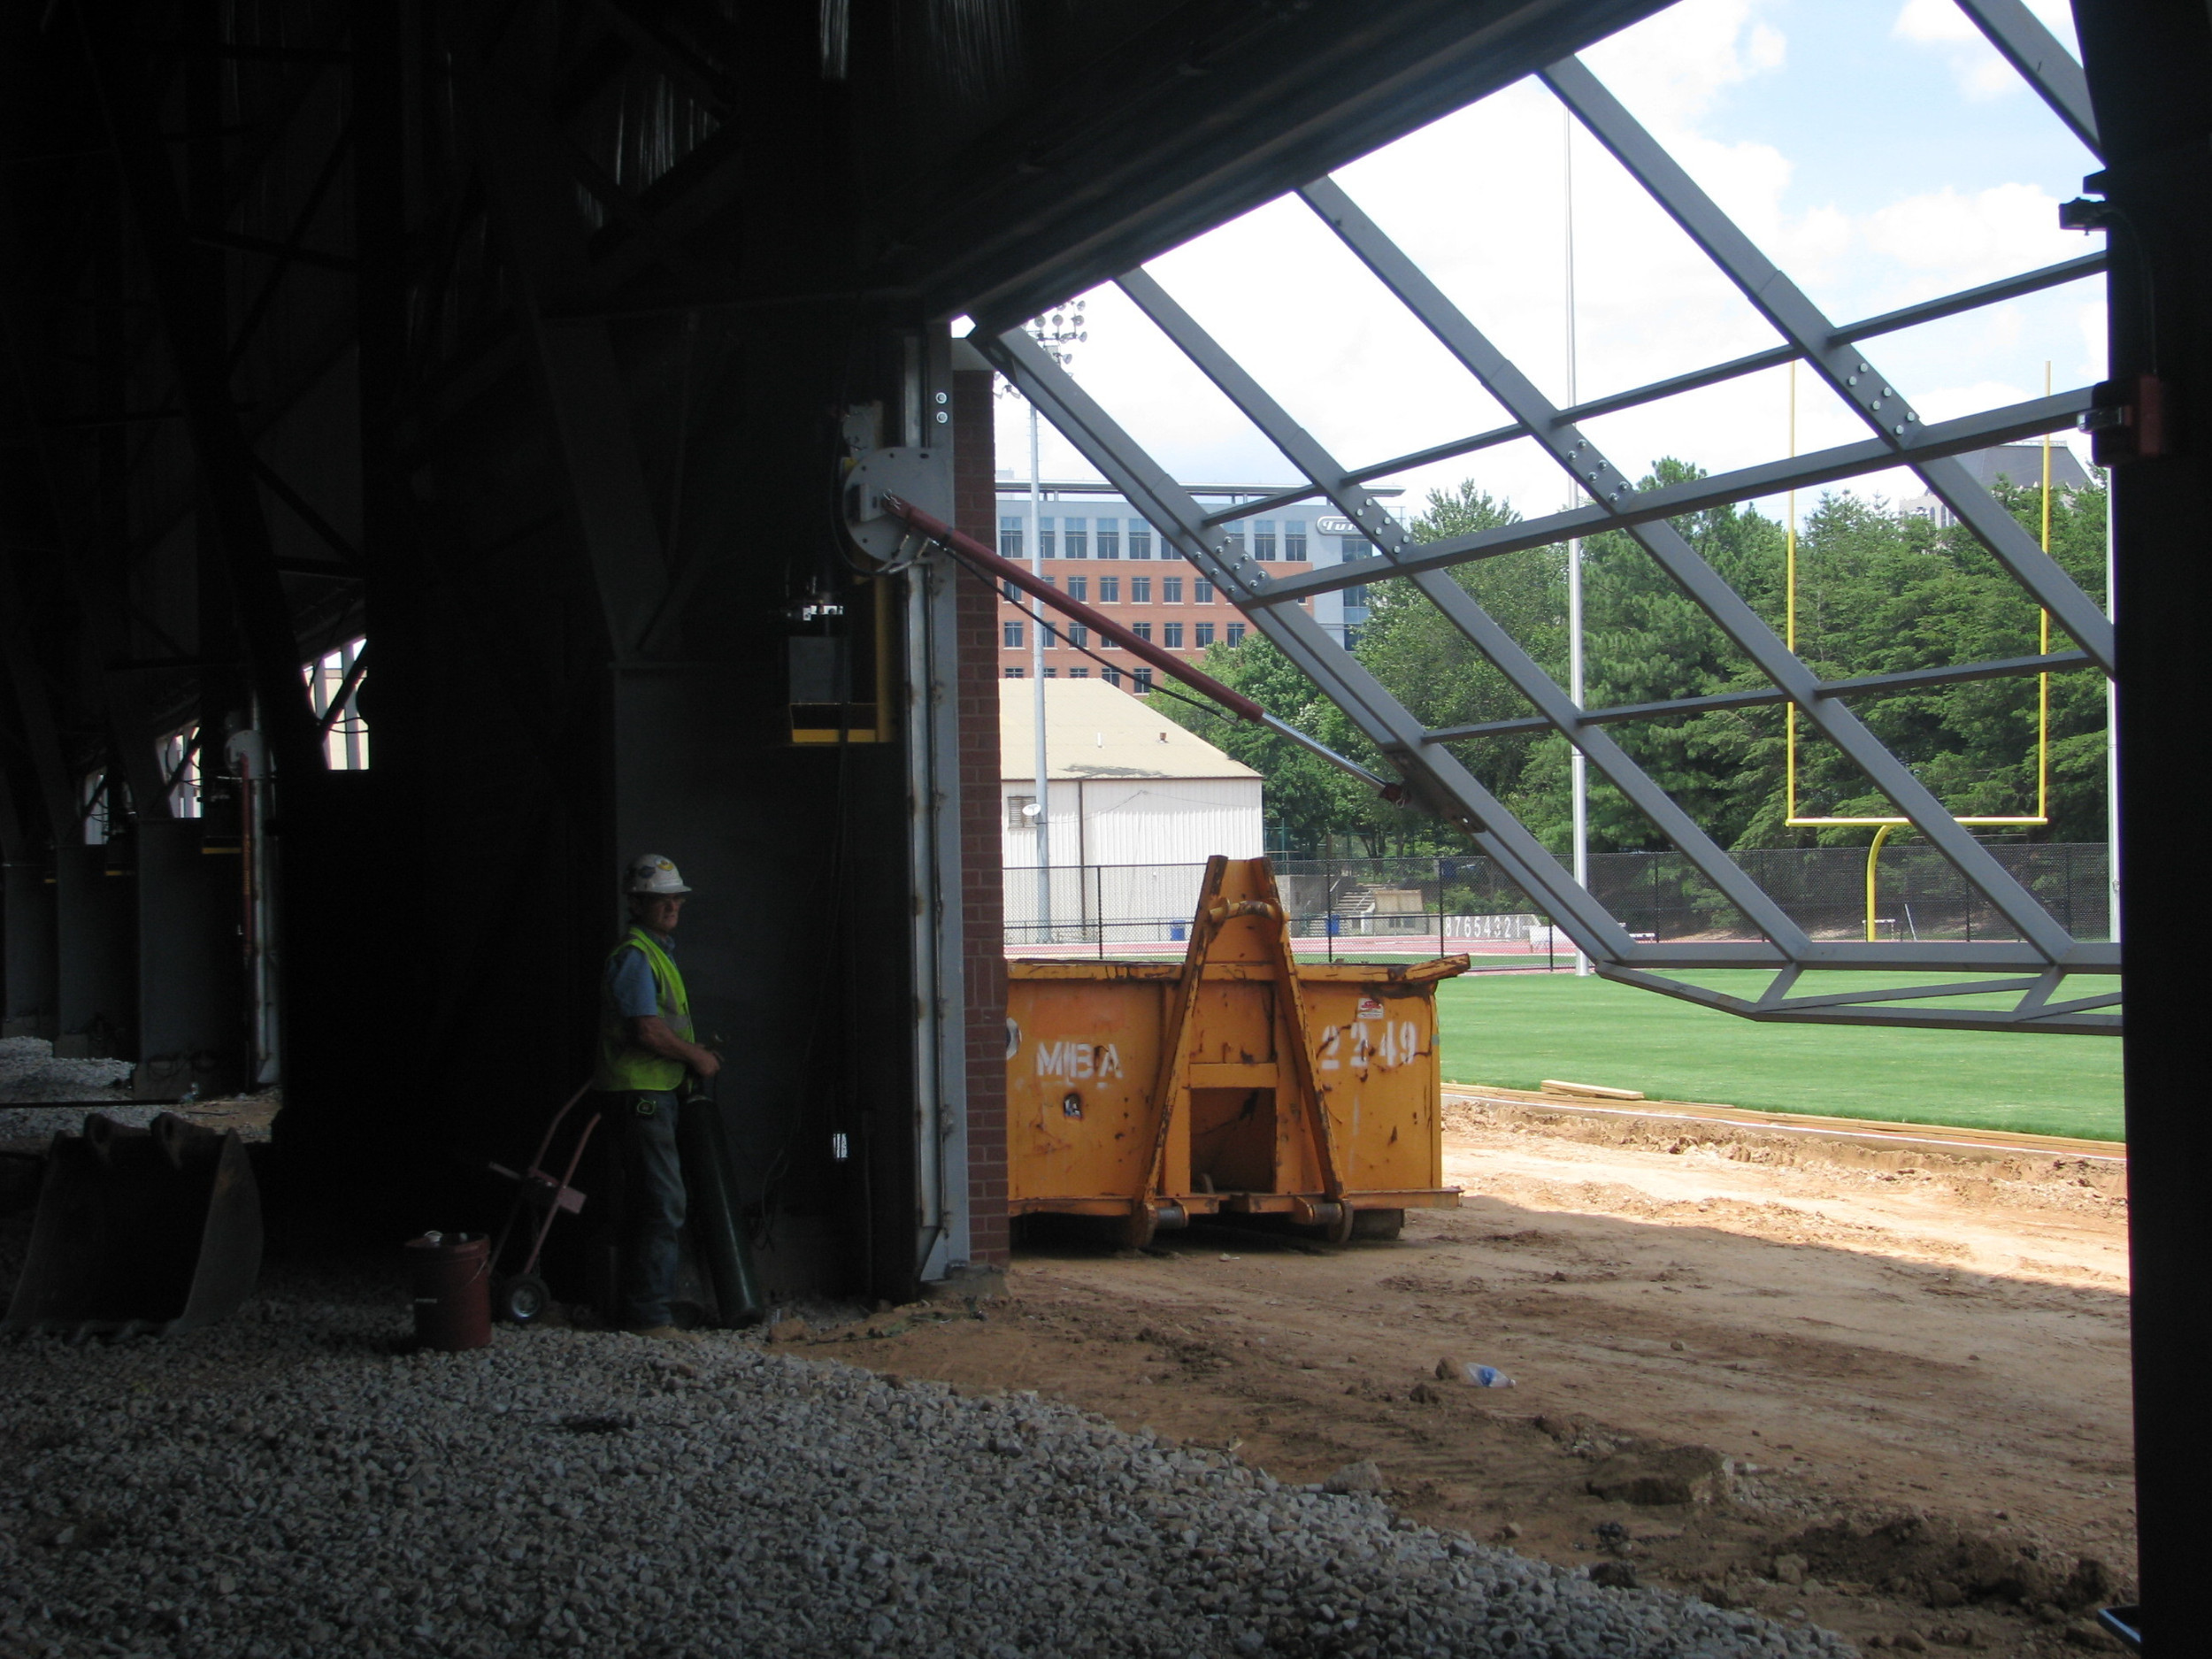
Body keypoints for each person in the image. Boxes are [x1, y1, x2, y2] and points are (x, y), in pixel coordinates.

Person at [595, 854, 721, 1338]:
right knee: (664, 1201)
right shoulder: (635, 956)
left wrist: (691, 1055)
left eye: (675, 898)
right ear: (637, 902)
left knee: (653, 1200)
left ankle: (644, 1305)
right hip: (640, 1093)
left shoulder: (658, 951)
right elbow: (647, 1031)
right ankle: (649, 1316)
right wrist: (694, 1056)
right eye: (659, 899)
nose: (671, 906)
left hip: (653, 1091)